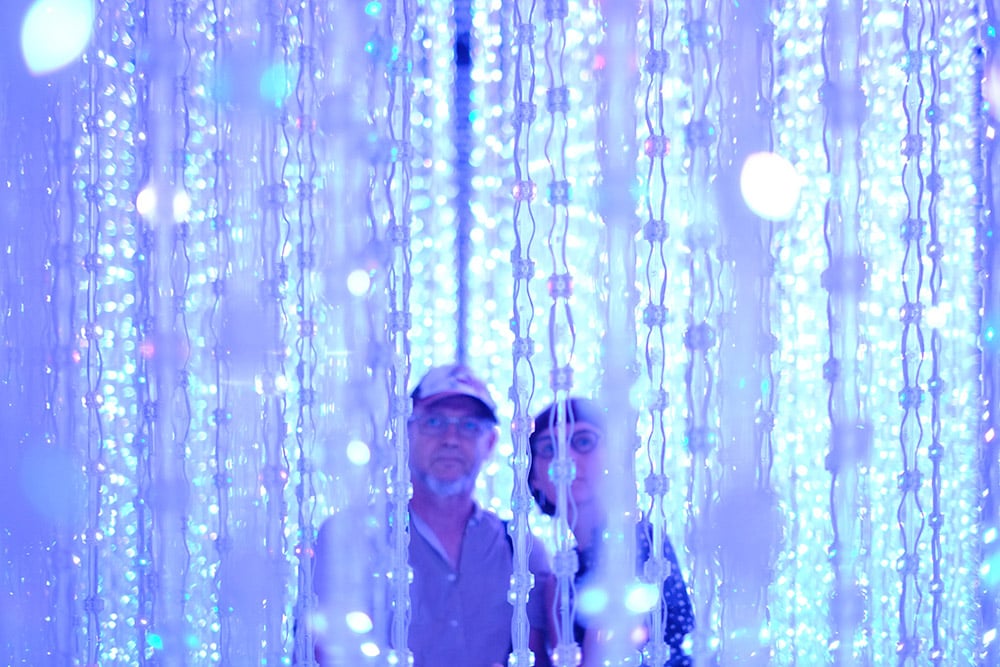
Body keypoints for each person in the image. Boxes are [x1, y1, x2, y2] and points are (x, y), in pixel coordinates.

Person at [313, 364, 553, 667]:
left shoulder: (521, 551)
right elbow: (324, 652)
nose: (451, 438)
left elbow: (535, 657)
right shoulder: (352, 537)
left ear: (490, 443)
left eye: (469, 427)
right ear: (406, 434)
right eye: (434, 422)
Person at [528, 397, 694, 666]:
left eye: (583, 442)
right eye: (548, 448)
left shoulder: (637, 541)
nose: (565, 459)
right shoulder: (558, 579)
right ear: (533, 475)